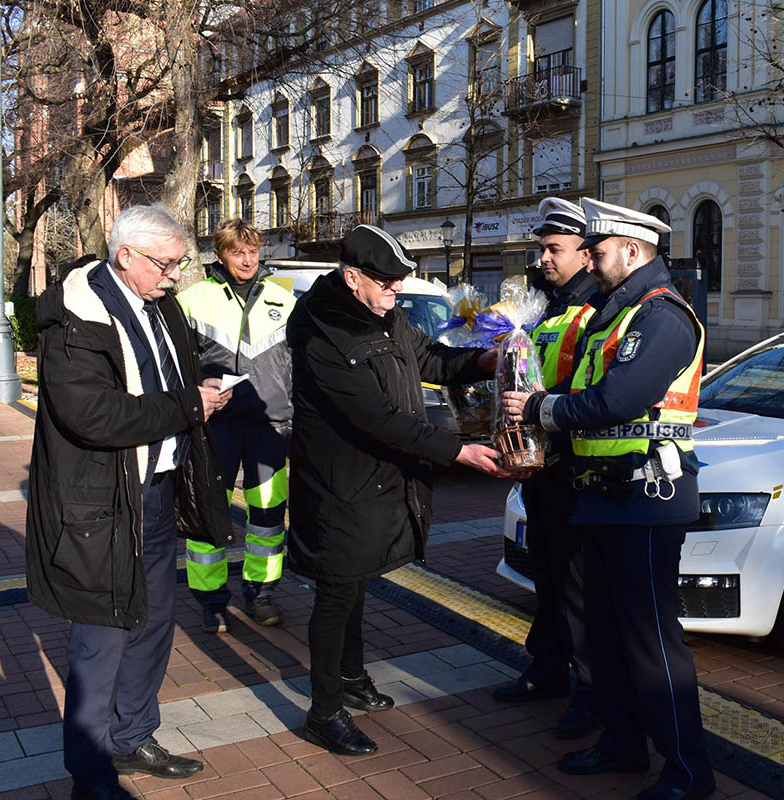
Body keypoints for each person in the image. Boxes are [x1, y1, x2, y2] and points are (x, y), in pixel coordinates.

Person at [501, 198, 715, 800]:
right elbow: (584, 390)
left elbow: (617, 399)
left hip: (647, 497)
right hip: (603, 496)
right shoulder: (617, 314)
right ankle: (623, 743)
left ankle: (688, 771)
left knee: (650, 642)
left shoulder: (661, 316)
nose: (590, 263)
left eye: (596, 253)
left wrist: (541, 407)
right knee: (606, 634)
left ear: (632, 250)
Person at [26, 204, 234, 800]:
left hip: (157, 491)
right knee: (101, 640)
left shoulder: (159, 302)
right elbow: (92, 414)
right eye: (167, 263)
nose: (176, 274)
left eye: (180, 262)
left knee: (153, 623)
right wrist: (190, 406)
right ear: (126, 256)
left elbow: (179, 365)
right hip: (101, 502)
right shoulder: (78, 315)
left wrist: (207, 381)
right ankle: (91, 774)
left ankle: (132, 737)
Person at [286, 224, 511, 756]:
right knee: (337, 591)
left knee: (356, 582)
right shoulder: (323, 332)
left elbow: (428, 358)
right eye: (387, 281)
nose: (397, 289)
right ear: (352, 278)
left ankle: (351, 676)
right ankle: (324, 711)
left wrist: (482, 361)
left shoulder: (383, 312)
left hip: (375, 481)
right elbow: (378, 418)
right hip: (340, 485)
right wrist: (457, 451)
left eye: (400, 279)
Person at [491, 198, 601, 741]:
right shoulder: (544, 308)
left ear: (586, 253)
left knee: (578, 587)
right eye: (542, 248)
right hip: (539, 466)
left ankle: (590, 694)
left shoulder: (596, 310)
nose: (544, 258)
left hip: (573, 468)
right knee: (548, 577)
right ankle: (547, 667)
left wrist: (535, 405)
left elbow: (589, 388)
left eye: (555, 249)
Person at [178, 218, 296, 633]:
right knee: (208, 514)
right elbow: (176, 365)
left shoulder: (283, 297)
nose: (247, 260)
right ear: (219, 255)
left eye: (253, 251)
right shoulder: (192, 299)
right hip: (215, 426)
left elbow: (297, 362)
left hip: (270, 426)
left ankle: (261, 593)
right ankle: (211, 601)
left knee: (268, 516)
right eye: (237, 252)